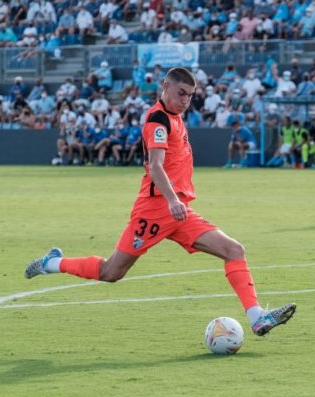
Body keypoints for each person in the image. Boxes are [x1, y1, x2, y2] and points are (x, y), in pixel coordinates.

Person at [24, 67, 296, 337]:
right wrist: (171, 199)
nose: (185, 101)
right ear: (165, 86)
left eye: (190, 96)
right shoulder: (158, 119)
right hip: (155, 210)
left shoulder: (176, 117)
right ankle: (53, 263)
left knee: (234, 250)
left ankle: (257, 316)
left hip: (178, 211)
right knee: (111, 272)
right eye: (181, 94)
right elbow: (155, 166)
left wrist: (176, 202)